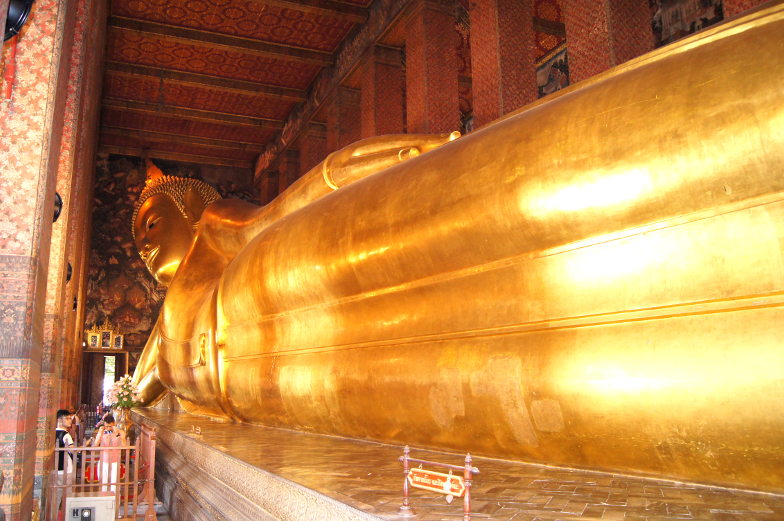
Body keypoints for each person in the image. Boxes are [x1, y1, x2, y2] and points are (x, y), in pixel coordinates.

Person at [128, 8, 784, 493]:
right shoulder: (164, 325)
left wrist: (372, 162)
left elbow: (295, 199)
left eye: (151, 220)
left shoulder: (229, 237)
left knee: (520, 193)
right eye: (135, 238)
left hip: (283, 272)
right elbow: (138, 396)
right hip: (296, 385)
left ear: (192, 207)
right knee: (512, 380)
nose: (144, 240)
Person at [94, 415, 127, 492]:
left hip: (115, 462)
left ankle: (114, 502)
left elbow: (124, 446)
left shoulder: (121, 432)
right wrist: (100, 432)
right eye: (106, 426)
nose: (108, 428)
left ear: (114, 424)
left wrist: (117, 434)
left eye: (110, 426)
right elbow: (96, 444)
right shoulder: (102, 432)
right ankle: (104, 502)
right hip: (103, 461)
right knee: (103, 484)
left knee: (114, 485)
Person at [54, 410, 75, 512]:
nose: (70, 421)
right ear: (59, 420)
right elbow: (73, 451)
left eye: (70, 418)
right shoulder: (65, 435)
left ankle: (54, 515)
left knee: (56, 496)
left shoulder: (52, 432)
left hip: (55, 469)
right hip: (66, 469)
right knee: (67, 495)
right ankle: (67, 515)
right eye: (67, 418)